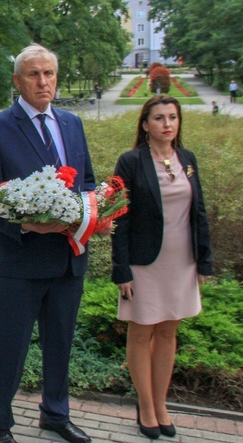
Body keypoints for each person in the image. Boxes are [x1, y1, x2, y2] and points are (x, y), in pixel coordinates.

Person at [0, 43, 96, 443]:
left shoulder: (73, 124)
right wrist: (27, 226)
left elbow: (87, 184)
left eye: (49, 74)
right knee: (12, 347)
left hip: (67, 258)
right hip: (20, 262)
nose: (43, 82)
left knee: (60, 346)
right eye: (33, 74)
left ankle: (55, 415)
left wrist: (96, 216)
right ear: (17, 81)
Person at [111, 95, 213, 439]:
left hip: (181, 262)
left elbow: (199, 212)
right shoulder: (131, 161)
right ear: (145, 124)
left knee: (168, 332)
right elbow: (119, 218)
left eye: (172, 117)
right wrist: (121, 269)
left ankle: (161, 404)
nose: (167, 124)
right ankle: (145, 405)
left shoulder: (188, 159)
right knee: (141, 332)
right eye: (159, 118)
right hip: (144, 262)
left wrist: (204, 260)